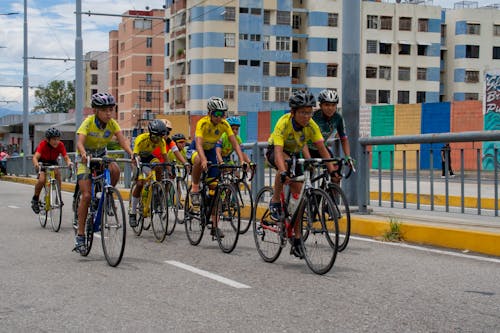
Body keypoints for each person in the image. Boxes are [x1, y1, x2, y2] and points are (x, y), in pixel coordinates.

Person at [266, 90, 336, 258]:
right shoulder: (283, 123)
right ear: (293, 112)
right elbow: (278, 152)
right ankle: (275, 201)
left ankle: (297, 239)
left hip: (295, 155)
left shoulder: (312, 125)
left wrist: (333, 170)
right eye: (303, 113)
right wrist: (283, 172)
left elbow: (322, 149)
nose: (307, 116)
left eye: (309, 112)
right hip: (276, 151)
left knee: (298, 201)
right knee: (284, 169)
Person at [74, 92, 134, 254]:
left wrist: (131, 153)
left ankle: (107, 196)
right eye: (105, 110)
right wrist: (84, 154)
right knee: (86, 196)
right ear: (95, 111)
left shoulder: (112, 124)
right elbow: (80, 142)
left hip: (101, 155)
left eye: (111, 109)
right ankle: (80, 236)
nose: (109, 113)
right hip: (85, 159)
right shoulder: (88, 122)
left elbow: (122, 140)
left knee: (114, 168)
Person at [187, 96, 248, 237]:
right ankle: (195, 188)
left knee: (215, 192)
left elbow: (235, 143)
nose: (220, 117)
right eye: (217, 114)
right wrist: (202, 160)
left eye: (223, 114)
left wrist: (242, 160)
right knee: (197, 161)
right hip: (197, 149)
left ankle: (214, 226)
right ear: (210, 113)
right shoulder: (202, 123)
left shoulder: (224, 124)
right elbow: (199, 144)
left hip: (211, 151)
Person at [128, 119, 169, 227]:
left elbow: (165, 157)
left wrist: (169, 168)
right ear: (150, 134)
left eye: (160, 137)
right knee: (140, 183)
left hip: (149, 157)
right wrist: (137, 169)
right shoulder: (141, 139)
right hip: (138, 158)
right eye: (155, 137)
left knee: (159, 166)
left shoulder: (161, 141)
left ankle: (157, 189)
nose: (157, 140)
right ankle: (132, 213)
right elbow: (134, 155)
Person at [308, 89, 353, 182]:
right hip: (306, 148)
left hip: (322, 149)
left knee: (336, 175)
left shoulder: (338, 118)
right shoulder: (313, 116)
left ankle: (332, 195)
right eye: (327, 105)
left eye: (333, 105)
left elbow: (343, 139)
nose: (330, 108)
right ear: (320, 105)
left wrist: (348, 156)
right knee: (307, 175)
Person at [31, 127, 74, 214]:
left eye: (58, 139)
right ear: (48, 139)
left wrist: (69, 163)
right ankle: (35, 199)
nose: (56, 142)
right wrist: (36, 165)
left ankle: (58, 197)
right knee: (42, 180)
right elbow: (35, 157)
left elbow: (66, 157)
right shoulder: (43, 144)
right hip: (42, 162)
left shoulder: (60, 145)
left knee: (57, 174)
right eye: (54, 139)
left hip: (53, 161)